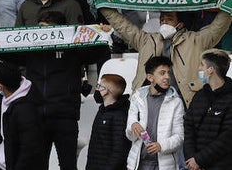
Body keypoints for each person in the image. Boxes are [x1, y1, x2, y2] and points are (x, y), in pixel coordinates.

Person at [97, 7, 231, 108]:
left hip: (185, 104)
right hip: (148, 105)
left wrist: (229, 2)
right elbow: (123, 26)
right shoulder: (146, 40)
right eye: (162, 20)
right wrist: (104, 5)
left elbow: (218, 27)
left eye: (169, 19)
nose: (164, 23)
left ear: (181, 24)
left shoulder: (196, 40)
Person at [185, 50, 232, 170]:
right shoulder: (199, 97)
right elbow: (188, 128)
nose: (199, 70)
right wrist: (192, 162)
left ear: (211, 70)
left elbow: (227, 139)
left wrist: (199, 160)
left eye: (202, 66)